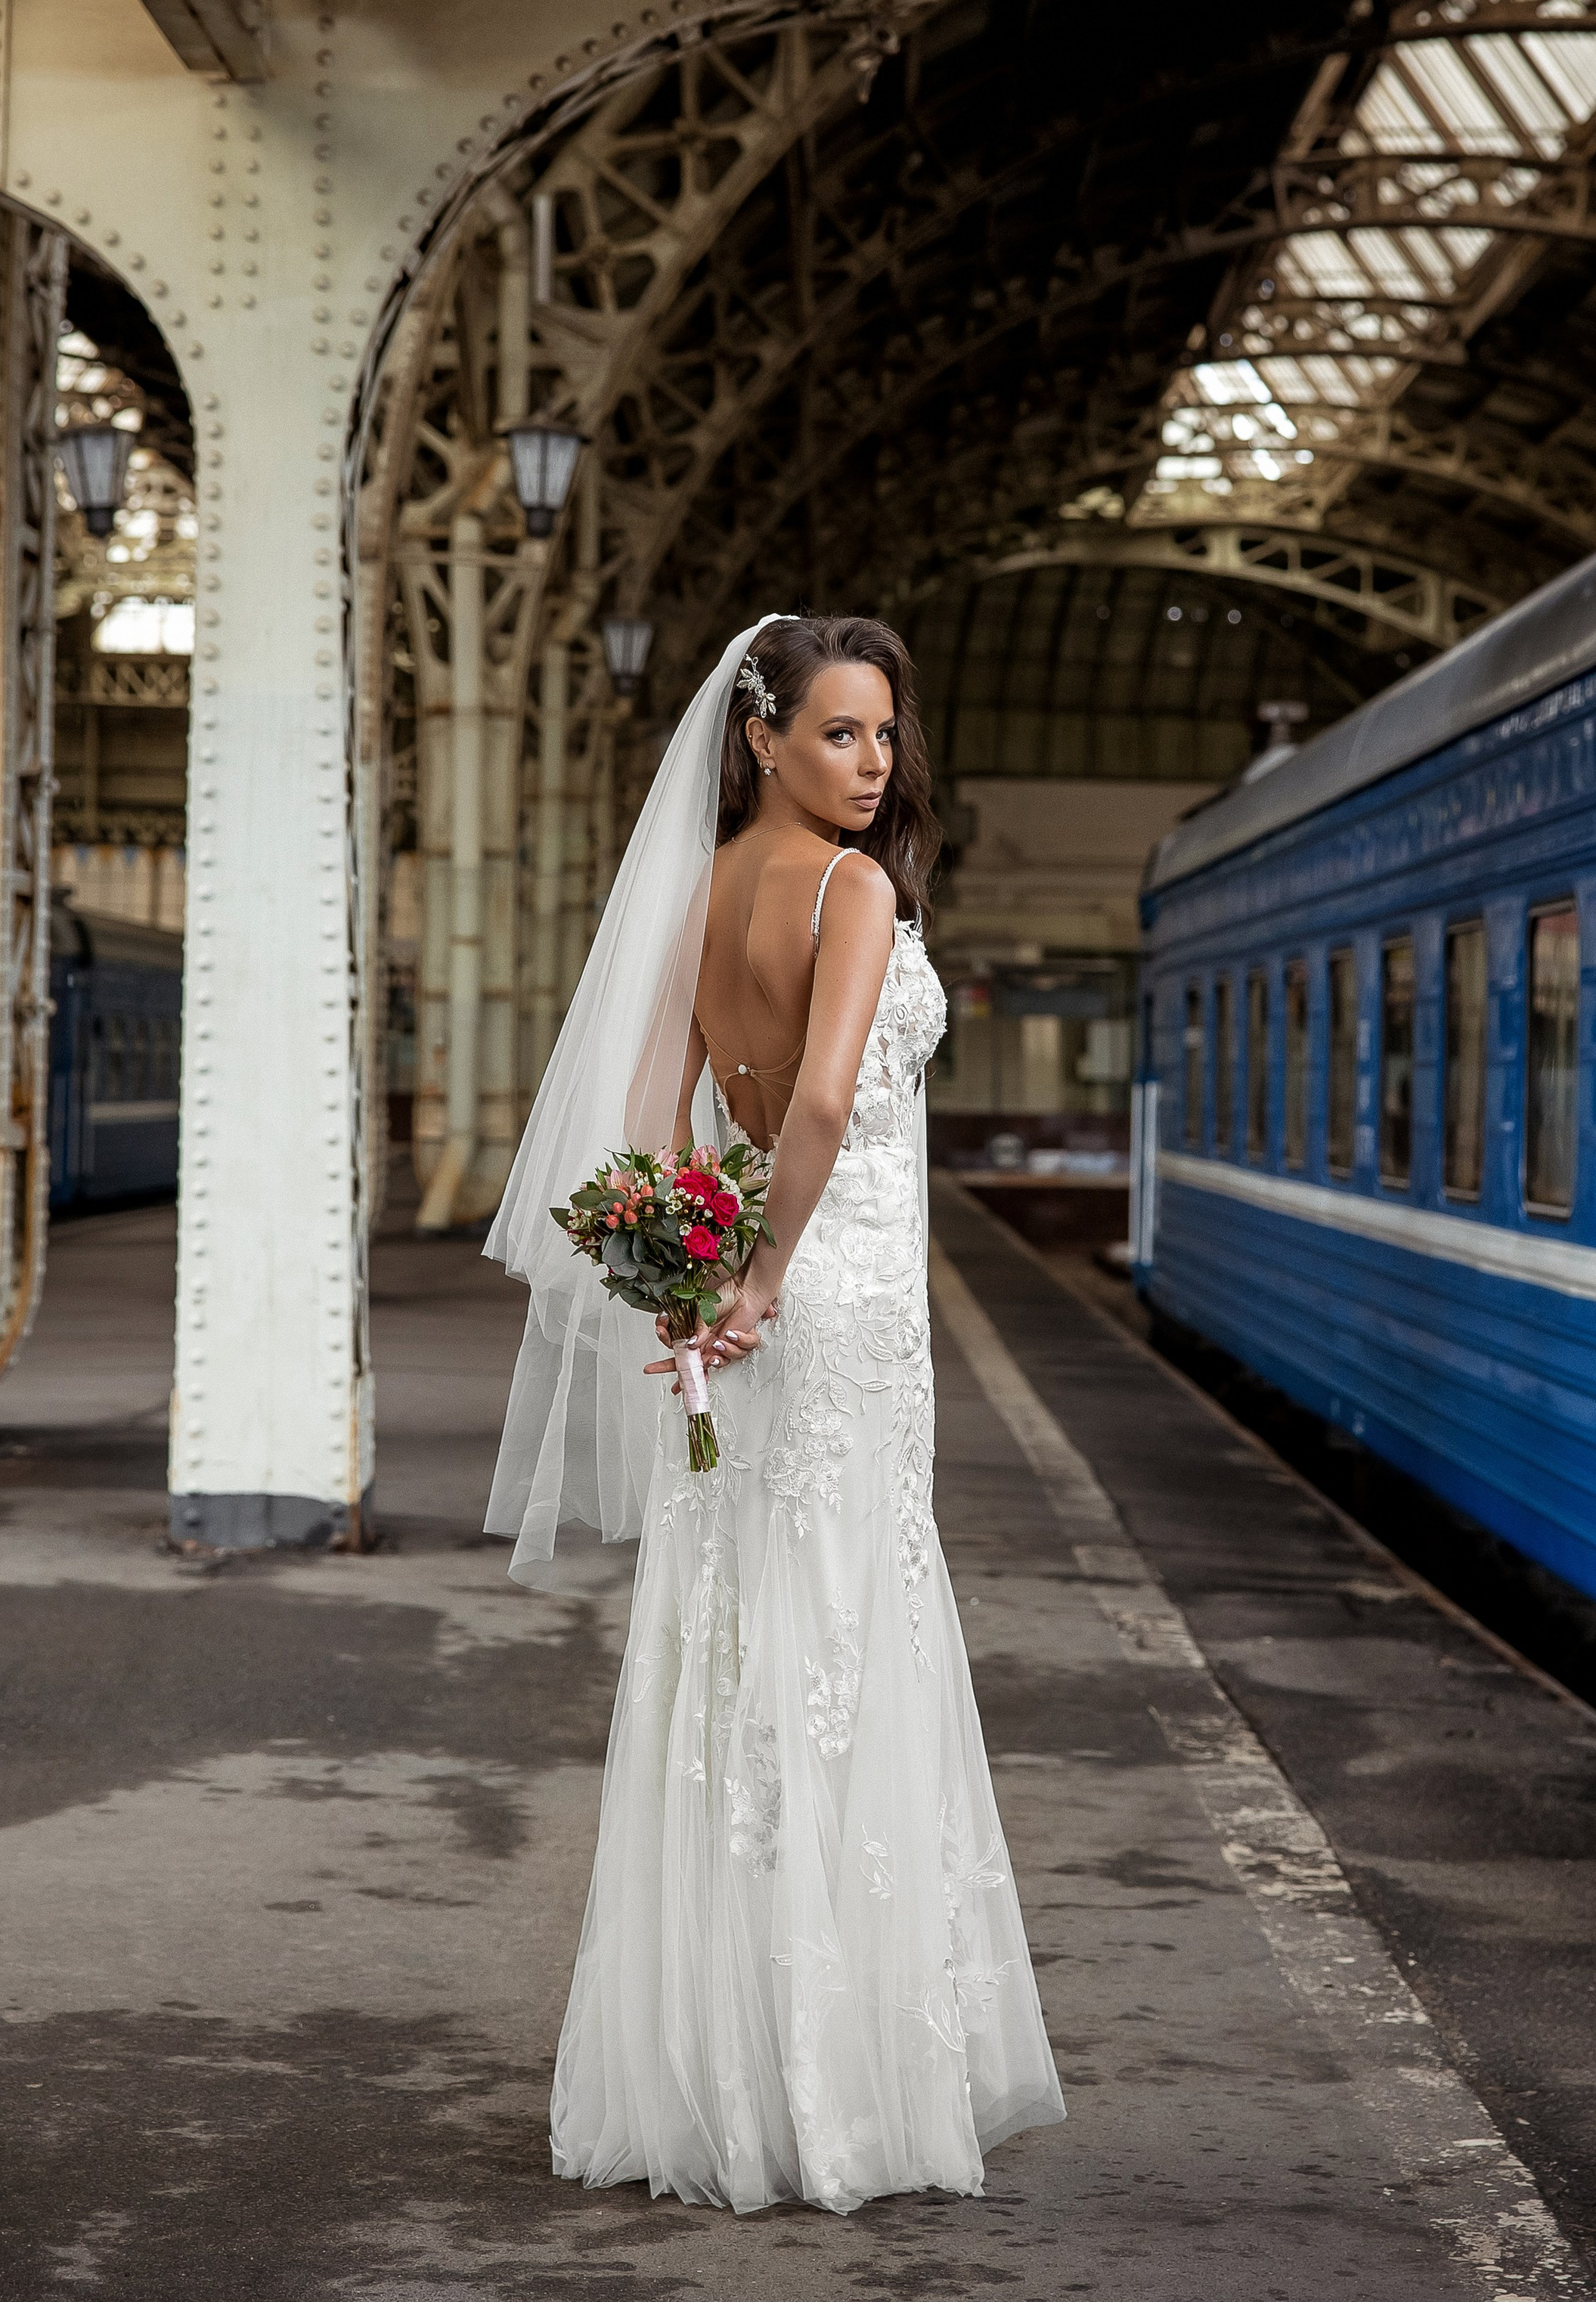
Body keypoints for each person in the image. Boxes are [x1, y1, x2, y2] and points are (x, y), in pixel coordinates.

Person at [482, 613, 1065, 2214]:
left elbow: (647, 1111)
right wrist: (760, 1279)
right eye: (837, 734)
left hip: (734, 1297)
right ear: (762, 737)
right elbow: (819, 1099)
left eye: (884, 736)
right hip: (833, 1299)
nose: (871, 766)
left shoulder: (701, 888)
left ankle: (713, 2074)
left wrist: (678, 1265)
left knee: (735, 1644)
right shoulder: (854, 887)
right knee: (846, 1640)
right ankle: (842, 2094)